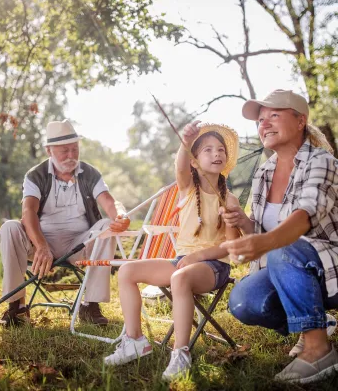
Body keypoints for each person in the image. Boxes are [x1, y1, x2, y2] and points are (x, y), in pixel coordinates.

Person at [104, 122, 240, 380]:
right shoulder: (188, 189)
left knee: (180, 277)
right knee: (128, 270)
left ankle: (181, 352)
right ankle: (135, 340)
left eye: (220, 149)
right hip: (181, 261)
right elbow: (179, 166)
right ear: (195, 161)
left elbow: (231, 248)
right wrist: (185, 141)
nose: (216, 153)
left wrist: (197, 257)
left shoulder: (230, 200)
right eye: (208, 150)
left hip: (214, 267)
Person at [220, 89, 338, 383]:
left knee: (285, 248)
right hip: (285, 263)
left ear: (300, 121)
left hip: (328, 265)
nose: (265, 124)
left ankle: (318, 349)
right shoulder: (264, 173)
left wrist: (266, 242)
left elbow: (305, 215)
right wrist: (245, 224)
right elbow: (262, 234)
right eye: (260, 120)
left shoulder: (321, 161)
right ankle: (318, 323)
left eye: (274, 115)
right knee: (244, 302)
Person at [0, 119, 130, 327]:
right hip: (40, 244)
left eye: (75, 149)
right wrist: (41, 246)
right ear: (49, 150)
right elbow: (28, 211)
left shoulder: (90, 173)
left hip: (79, 246)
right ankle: (17, 307)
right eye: (64, 150)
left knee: (106, 226)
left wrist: (121, 215)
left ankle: (90, 305)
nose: (71, 156)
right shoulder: (35, 175)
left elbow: (109, 201)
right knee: (9, 228)